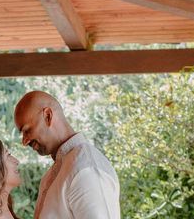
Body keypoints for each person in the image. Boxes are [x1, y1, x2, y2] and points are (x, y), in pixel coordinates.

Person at [14, 91, 120, 219]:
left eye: (27, 130)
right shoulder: (56, 172)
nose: (24, 141)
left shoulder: (86, 169)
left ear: (48, 116)